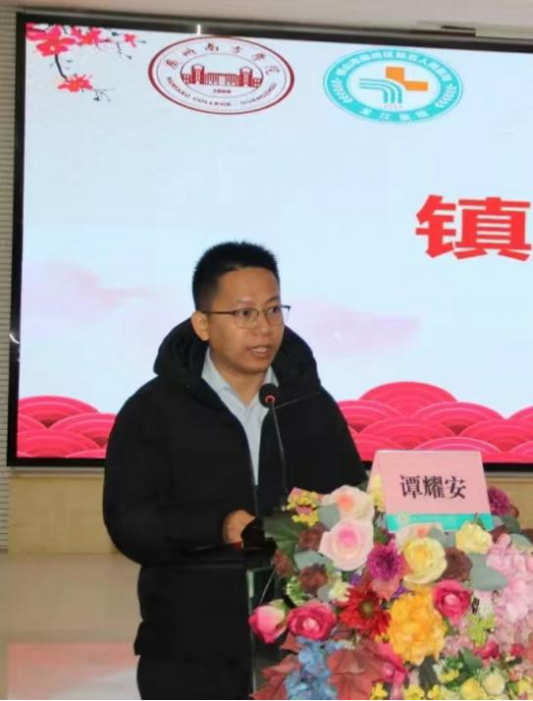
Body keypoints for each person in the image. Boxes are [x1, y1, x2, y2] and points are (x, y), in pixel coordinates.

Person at [103, 242, 365, 699]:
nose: (264, 327)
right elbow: (130, 523)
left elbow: (351, 502)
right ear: (203, 323)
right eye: (244, 314)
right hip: (187, 651)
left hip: (302, 650)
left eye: (273, 310)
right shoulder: (153, 411)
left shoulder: (309, 404)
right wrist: (218, 526)